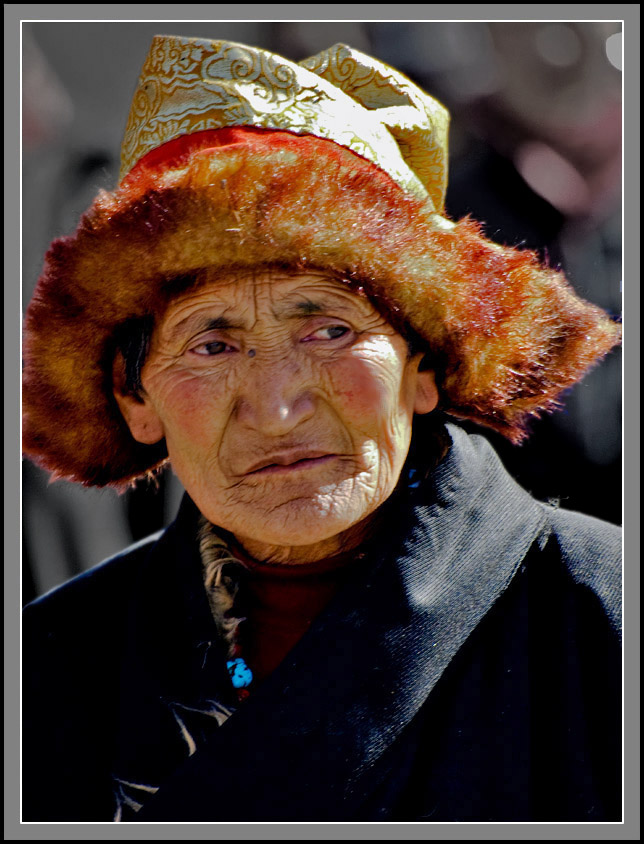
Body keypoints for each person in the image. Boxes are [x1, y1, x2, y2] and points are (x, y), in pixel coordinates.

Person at [22, 35, 622, 823]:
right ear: (137, 401)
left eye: (329, 331)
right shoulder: (49, 669)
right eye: (212, 344)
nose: (276, 407)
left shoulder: (605, 614)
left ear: (425, 369)